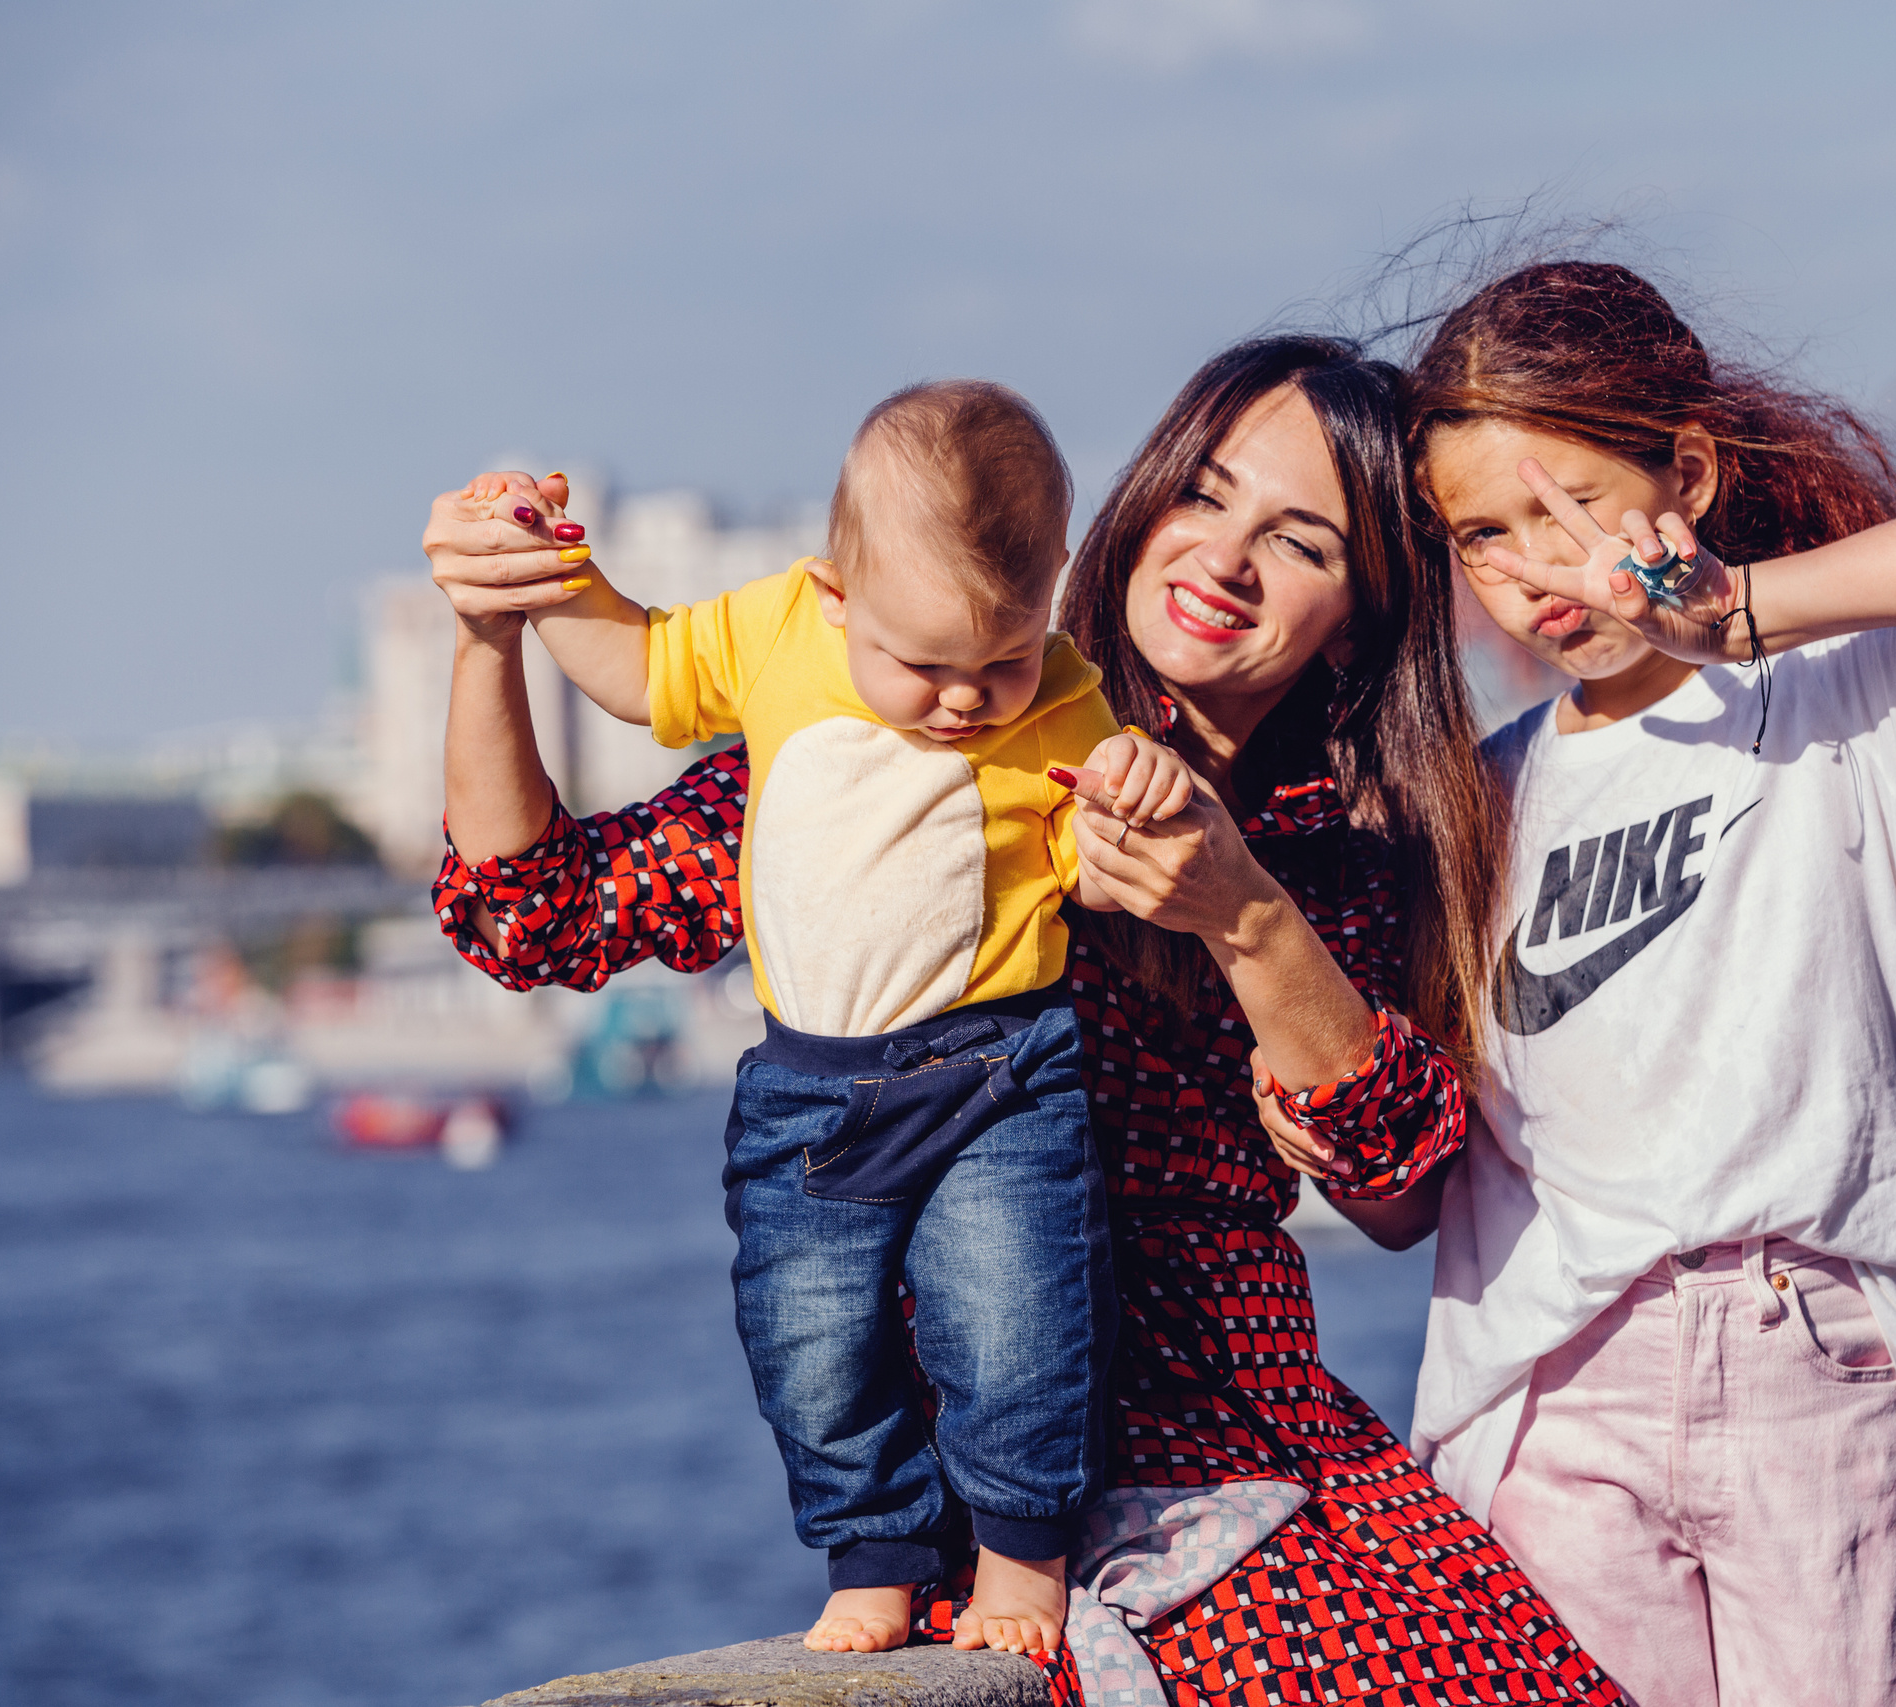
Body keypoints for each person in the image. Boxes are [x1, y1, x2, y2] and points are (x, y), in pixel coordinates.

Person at [423, 336, 1624, 1707]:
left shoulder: (1343, 840)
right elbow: (540, 915)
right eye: (1202, 493)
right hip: (1003, 1506)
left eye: (1298, 540)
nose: (1224, 557)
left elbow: (1405, 1187)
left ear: (1357, 611)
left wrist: (1241, 911)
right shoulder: (927, 715)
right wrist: (485, 633)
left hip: (1256, 1444)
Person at [1401, 261, 1896, 1705]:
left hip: (1816, 1358)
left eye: (1578, 507)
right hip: (1549, 1383)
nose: (1540, 568)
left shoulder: (1847, 703)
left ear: (1692, 475)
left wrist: (1738, 616)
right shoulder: (1480, 798)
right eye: (1485, 532)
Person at [436, 380, 1196, 1659]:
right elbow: (633, 667)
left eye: (1000, 660)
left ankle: (1021, 1557)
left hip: (995, 1074)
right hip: (809, 1083)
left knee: (1019, 1315)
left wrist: (1138, 794)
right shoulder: (774, 632)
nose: (965, 701)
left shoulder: (1067, 697)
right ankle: (875, 1552)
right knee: (804, 1333)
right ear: (835, 593)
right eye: (923, 665)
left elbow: (1106, 847)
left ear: (1053, 597)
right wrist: (540, 577)